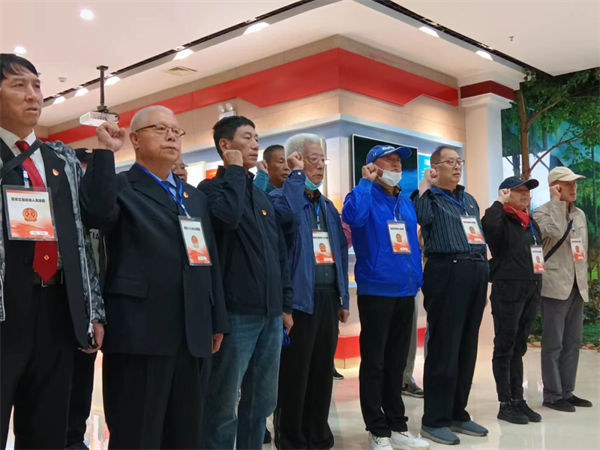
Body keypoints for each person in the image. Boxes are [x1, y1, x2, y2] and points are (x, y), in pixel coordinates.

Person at [79, 105, 229, 450]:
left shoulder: (193, 197)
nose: (171, 136)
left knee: (186, 433)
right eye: (160, 129)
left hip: (194, 333)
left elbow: (209, 260)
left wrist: (217, 318)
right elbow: (95, 213)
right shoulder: (120, 186)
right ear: (134, 139)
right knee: (138, 434)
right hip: (140, 332)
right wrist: (105, 152)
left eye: (176, 131)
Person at [0, 53, 104, 450]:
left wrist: (91, 308)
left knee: (48, 427)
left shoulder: (60, 158)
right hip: (6, 306)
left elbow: (82, 235)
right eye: (18, 85)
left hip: (57, 306)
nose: (33, 95)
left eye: (37, 85)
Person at [199, 116, 293, 450]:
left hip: (270, 315)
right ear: (225, 145)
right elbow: (227, 217)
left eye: (257, 138)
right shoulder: (209, 190)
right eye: (247, 138)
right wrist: (235, 171)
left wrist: (284, 304)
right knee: (223, 406)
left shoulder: (261, 196)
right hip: (235, 314)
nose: (255, 145)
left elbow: (279, 254)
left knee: (262, 402)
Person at [343, 145, 428, 450]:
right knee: (375, 364)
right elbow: (354, 217)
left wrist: (417, 279)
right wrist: (365, 183)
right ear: (372, 165)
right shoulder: (361, 195)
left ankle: (397, 425)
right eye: (389, 160)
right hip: (376, 290)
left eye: (398, 160)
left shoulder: (404, 201)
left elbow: (411, 244)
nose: (396, 164)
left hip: (405, 291)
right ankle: (377, 429)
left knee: (396, 363)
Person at [271, 133, 350, 450]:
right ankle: (291, 440)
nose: (319, 165)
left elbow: (339, 251)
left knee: (321, 373)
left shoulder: (328, 206)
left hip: (328, 298)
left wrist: (343, 296)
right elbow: (285, 222)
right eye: (311, 159)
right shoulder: (280, 199)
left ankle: (318, 436)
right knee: (294, 375)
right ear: (295, 160)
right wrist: (284, 305)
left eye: (321, 159)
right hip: (298, 301)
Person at [412, 146, 488, 445]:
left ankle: (458, 412)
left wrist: (483, 277)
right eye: (450, 162)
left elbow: (478, 237)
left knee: (467, 347)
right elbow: (418, 217)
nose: (457, 166)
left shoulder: (469, 200)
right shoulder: (429, 197)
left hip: (475, 271)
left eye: (460, 161)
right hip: (446, 270)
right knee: (444, 346)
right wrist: (424, 186)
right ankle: (435, 420)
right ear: (435, 167)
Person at [481, 176, 544, 425]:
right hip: (508, 290)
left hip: (531, 288)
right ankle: (504, 403)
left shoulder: (530, 223)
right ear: (506, 194)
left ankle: (518, 399)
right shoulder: (500, 218)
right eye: (518, 191)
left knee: (519, 347)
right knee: (505, 347)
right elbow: (488, 226)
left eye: (527, 191)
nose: (525, 194)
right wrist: (499, 202)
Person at [532, 167, 592, 412]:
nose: (574, 187)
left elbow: (582, 250)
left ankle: (567, 391)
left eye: (574, 183)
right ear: (555, 186)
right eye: (567, 184)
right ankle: (552, 394)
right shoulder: (540, 213)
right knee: (553, 344)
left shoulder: (580, 214)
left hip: (576, 285)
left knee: (573, 342)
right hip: (554, 286)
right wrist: (557, 203)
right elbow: (555, 232)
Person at [66, 149, 104, 450]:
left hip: (95, 310)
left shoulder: (103, 215)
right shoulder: (66, 215)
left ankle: (74, 440)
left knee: (81, 383)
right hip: (64, 305)